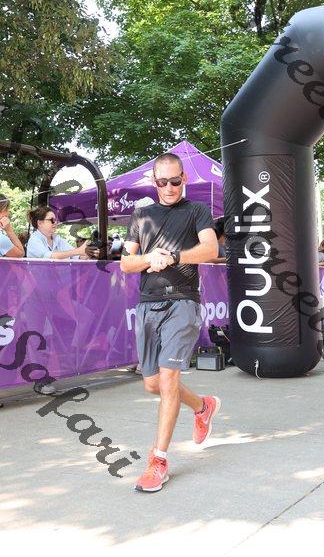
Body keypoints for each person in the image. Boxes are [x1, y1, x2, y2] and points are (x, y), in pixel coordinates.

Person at [121, 151, 220, 493]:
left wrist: (174, 257)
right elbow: (126, 263)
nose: (168, 187)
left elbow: (210, 250)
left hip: (183, 302)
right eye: (162, 182)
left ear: (184, 179)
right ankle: (203, 406)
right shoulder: (141, 215)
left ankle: (158, 460)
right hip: (148, 304)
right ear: (154, 182)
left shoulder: (197, 210)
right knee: (152, 384)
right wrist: (150, 258)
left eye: (174, 181)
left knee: (168, 381)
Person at [26, 206, 90, 259]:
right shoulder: (34, 240)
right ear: (40, 223)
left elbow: (76, 256)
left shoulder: (57, 239)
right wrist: (79, 251)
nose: (56, 222)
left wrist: (89, 253)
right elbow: (50, 257)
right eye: (52, 220)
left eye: (56, 220)